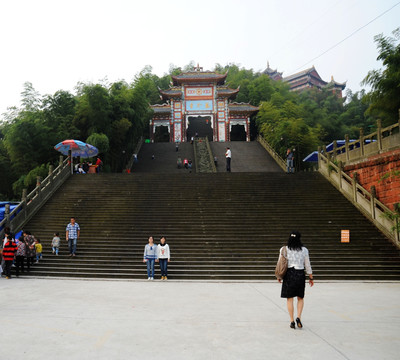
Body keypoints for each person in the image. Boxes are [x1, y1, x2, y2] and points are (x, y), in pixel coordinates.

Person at [278, 231, 314, 329]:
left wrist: (279, 276)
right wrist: (311, 277)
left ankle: (292, 320)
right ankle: (298, 317)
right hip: (300, 274)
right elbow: (307, 265)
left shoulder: (284, 249)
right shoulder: (304, 250)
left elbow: (280, 263)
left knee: (289, 298)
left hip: (289, 274)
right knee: (300, 298)